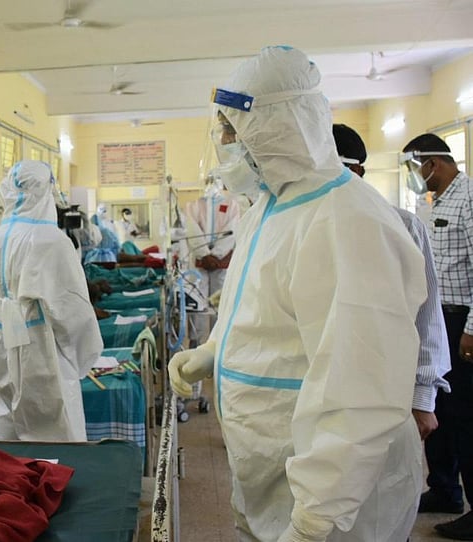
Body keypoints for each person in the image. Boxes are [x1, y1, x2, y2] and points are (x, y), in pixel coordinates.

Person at [168, 46, 427, 541]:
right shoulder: (271, 207)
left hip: (333, 496)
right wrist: (213, 352)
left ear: (277, 125)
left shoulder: (347, 221)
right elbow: (259, 312)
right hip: (274, 467)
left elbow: (360, 389)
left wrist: (316, 517)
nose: (225, 143)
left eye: (232, 129)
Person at [332, 123, 450, 441]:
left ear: (357, 171)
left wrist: (423, 396)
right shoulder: (300, 226)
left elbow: (426, 315)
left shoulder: (403, 226)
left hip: (385, 385)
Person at [0, 159, 102, 441]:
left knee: (5, 432)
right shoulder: (51, 241)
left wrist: (6, 319)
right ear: (47, 190)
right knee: (52, 436)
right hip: (39, 348)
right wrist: (83, 357)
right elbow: (70, 308)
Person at [400, 133, 473, 539]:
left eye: (416, 167)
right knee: (437, 411)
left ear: (436, 163)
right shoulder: (432, 203)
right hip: (438, 319)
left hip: (463, 322)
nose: (415, 176)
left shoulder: (469, 198)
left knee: (466, 417)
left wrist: (471, 331)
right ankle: (444, 488)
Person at [181, 175, 240, 345]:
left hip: (220, 264)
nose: (212, 184)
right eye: (209, 180)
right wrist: (205, 254)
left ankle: (218, 343)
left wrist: (217, 255)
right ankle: (198, 343)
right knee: (198, 304)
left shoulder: (231, 206)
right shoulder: (193, 206)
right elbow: (193, 230)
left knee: (219, 303)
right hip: (201, 263)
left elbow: (232, 230)